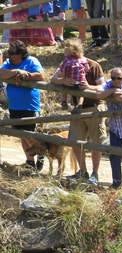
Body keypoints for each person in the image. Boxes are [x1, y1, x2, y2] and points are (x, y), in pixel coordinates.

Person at [52, 46, 105, 184]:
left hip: (94, 107)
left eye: (72, 55)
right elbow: (54, 79)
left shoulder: (94, 66)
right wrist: (63, 81)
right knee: (75, 141)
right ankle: (83, 172)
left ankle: (95, 174)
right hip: (77, 109)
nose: (69, 58)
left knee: (96, 142)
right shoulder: (66, 64)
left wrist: (88, 87)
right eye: (67, 56)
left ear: (79, 53)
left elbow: (103, 86)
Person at [0, 41, 45, 170]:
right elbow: (1, 73)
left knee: (29, 134)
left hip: (29, 104)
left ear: (21, 54)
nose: (11, 56)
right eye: (10, 53)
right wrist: (17, 72)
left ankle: (41, 152)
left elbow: (41, 76)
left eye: (14, 53)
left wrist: (27, 75)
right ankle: (30, 162)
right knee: (21, 135)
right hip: (14, 105)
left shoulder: (32, 61)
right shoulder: (8, 63)